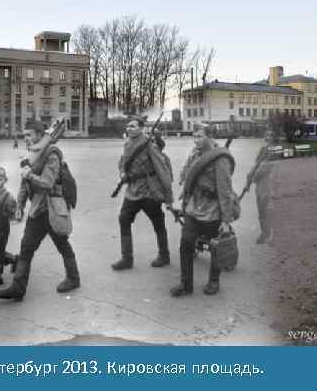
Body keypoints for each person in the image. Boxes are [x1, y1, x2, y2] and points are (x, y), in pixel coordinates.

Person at [0, 120, 80, 301]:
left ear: (40, 135)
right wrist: (19, 206)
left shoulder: (52, 154)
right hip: (37, 210)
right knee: (26, 248)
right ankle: (18, 288)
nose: (26, 138)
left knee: (62, 245)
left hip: (52, 209)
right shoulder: (32, 154)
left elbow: (47, 183)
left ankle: (73, 278)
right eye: (24, 135)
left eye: (29, 135)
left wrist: (30, 175)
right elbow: (24, 185)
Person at [171, 123, 235, 297]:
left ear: (209, 136)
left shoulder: (220, 158)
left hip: (212, 209)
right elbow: (187, 174)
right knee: (185, 244)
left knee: (215, 247)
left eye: (199, 136)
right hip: (194, 206)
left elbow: (225, 190)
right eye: (194, 136)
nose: (196, 140)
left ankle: (214, 281)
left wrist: (226, 220)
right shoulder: (195, 153)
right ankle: (186, 285)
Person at [111, 117, 174, 271]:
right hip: (132, 190)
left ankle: (164, 255)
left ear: (141, 128)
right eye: (128, 126)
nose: (129, 129)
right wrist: (122, 174)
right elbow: (122, 163)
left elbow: (162, 169)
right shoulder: (127, 144)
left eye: (132, 126)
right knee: (123, 219)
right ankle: (127, 259)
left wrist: (168, 196)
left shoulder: (149, 145)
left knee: (158, 222)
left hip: (149, 191)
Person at [244, 146, 275, 244]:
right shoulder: (263, 163)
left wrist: (249, 182)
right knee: (265, 213)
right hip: (266, 190)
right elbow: (251, 174)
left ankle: (265, 234)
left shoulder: (265, 164)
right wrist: (247, 183)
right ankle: (267, 233)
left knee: (263, 214)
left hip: (264, 191)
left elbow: (255, 176)